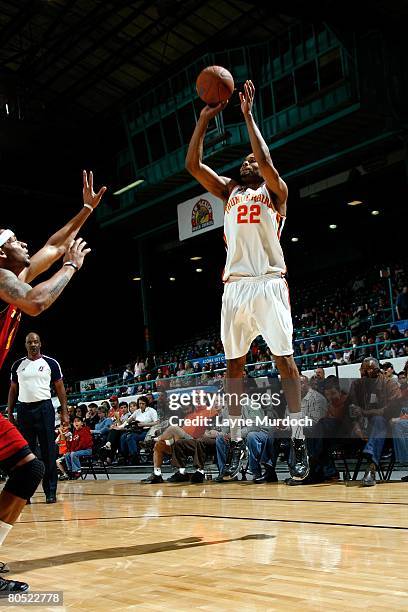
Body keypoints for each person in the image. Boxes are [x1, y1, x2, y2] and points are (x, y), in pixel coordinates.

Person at [186, 79, 308, 482]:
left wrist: (248, 116)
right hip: (235, 286)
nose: (248, 163)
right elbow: (193, 166)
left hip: (269, 282)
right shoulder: (231, 191)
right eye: (246, 161)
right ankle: (236, 440)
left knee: (284, 361)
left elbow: (267, 162)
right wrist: (203, 122)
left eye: (252, 161)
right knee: (232, 367)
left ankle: (298, 435)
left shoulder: (276, 193)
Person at [0, 169, 106, 594]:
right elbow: (39, 300)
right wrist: (71, 269)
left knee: (30, 471)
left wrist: (84, 210)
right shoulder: (3, 281)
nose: (23, 243)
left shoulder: (11, 278)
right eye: (13, 240)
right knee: (29, 470)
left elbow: (52, 246)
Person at [7, 332, 67, 503]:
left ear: (40, 344)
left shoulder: (51, 363)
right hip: (24, 409)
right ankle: (26, 494)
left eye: (35, 342)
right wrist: (10, 413)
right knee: (27, 454)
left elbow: (60, 388)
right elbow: (13, 390)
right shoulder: (17, 365)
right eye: (29, 342)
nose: (33, 344)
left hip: (45, 408)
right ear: (25, 345)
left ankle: (50, 491)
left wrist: (64, 412)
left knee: (49, 451)